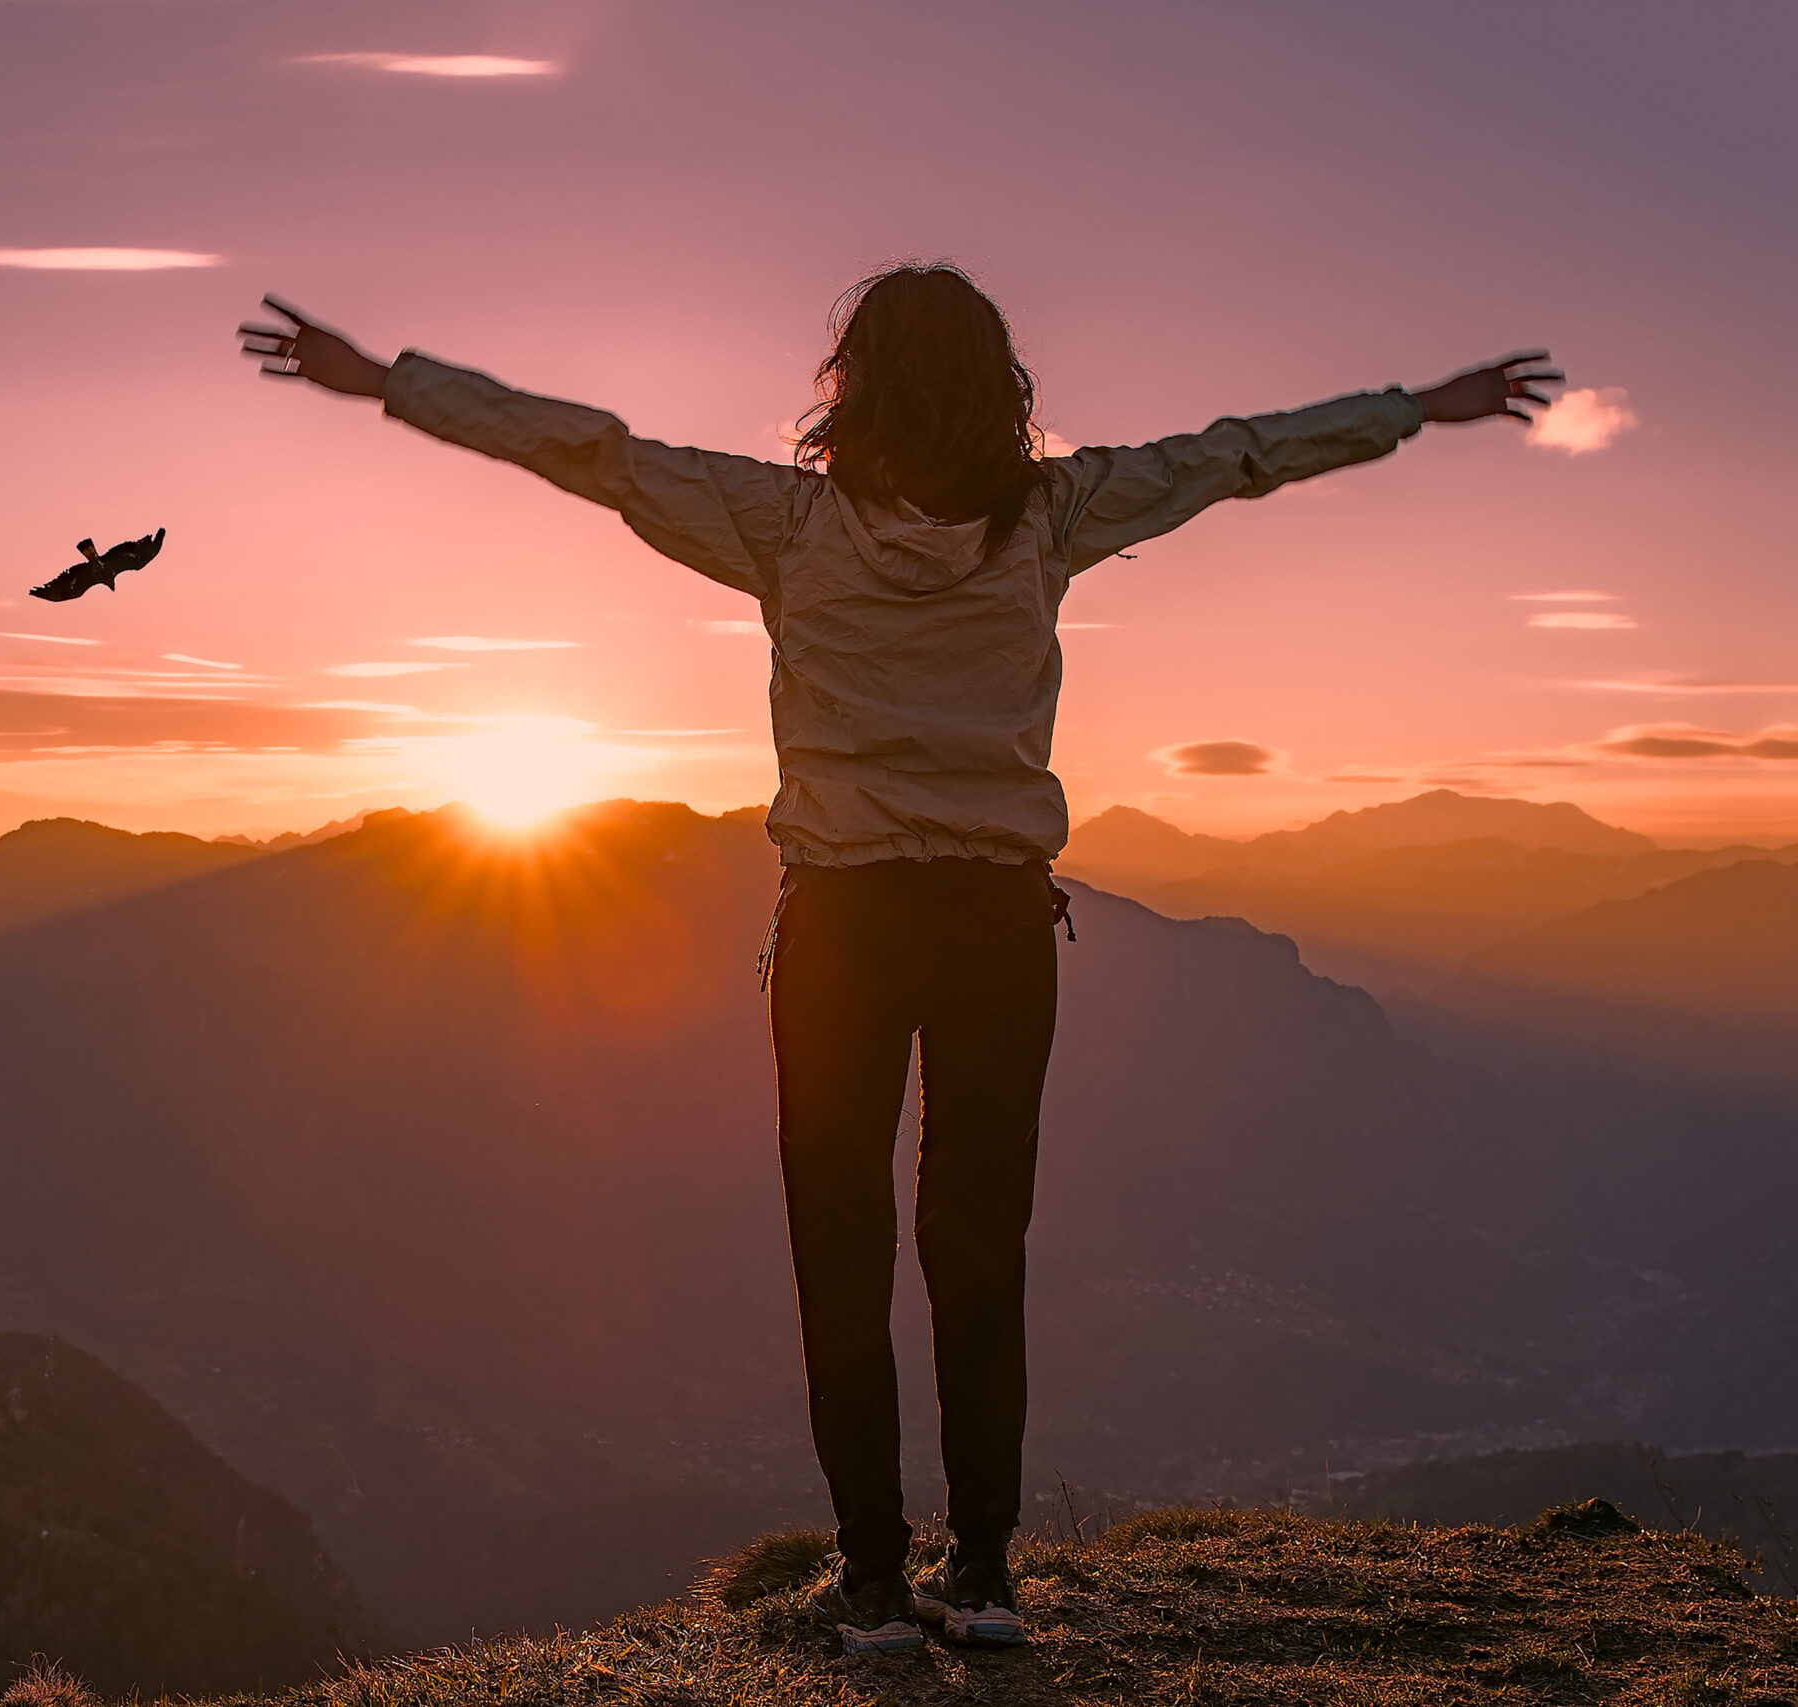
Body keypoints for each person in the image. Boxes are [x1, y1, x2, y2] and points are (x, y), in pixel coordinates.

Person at [237, 270, 1556, 1655]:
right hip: (995, 927)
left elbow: (592, 453)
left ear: (849, 384)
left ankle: (872, 1580)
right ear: (1004, 389)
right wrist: (1424, 405)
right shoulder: (1052, 519)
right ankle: (983, 1576)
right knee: (979, 1251)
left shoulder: (784, 525)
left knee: (840, 1250)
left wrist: (387, 378)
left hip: (844, 931)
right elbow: (1235, 455)